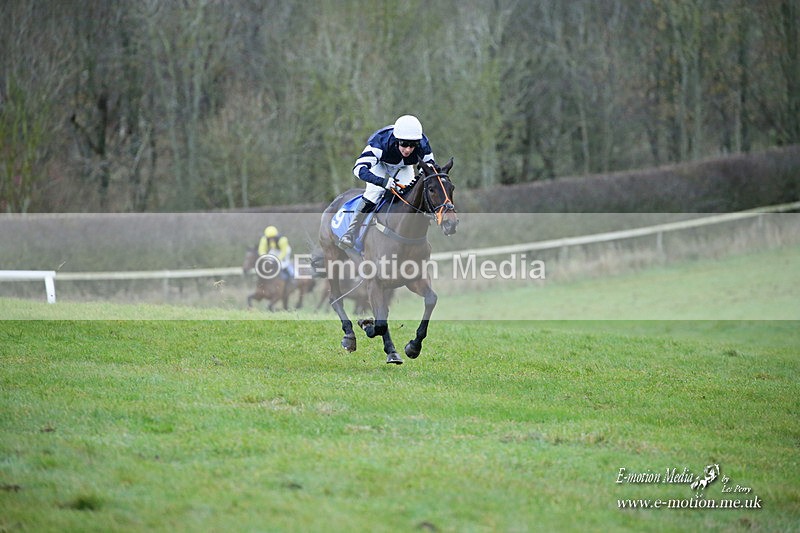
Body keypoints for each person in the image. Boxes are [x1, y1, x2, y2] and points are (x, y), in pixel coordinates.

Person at [337, 114, 436, 250]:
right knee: (374, 193)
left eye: (413, 145)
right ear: (396, 140)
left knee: (411, 195)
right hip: (381, 165)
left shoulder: (423, 144)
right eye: (404, 144)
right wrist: (382, 182)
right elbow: (358, 169)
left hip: (404, 167)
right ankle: (351, 233)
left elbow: (429, 168)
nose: (408, 149)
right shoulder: (380, 142)